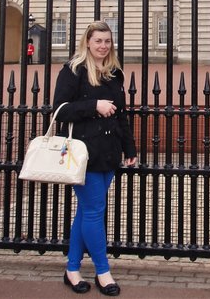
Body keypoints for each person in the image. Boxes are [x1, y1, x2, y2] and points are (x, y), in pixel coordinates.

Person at [53, 21, 137, 296]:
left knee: (87, 212)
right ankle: (103, 271)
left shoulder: (115, 74)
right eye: (98, 40)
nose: (103, 46)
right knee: (93, 211)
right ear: (87, 42)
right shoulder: (73, 71)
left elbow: (121, 115)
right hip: (82, 153)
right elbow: (60, 110)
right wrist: (94, 106)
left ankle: (72, 268)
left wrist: (130, 149)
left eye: (107, 41)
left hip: (109, 152)